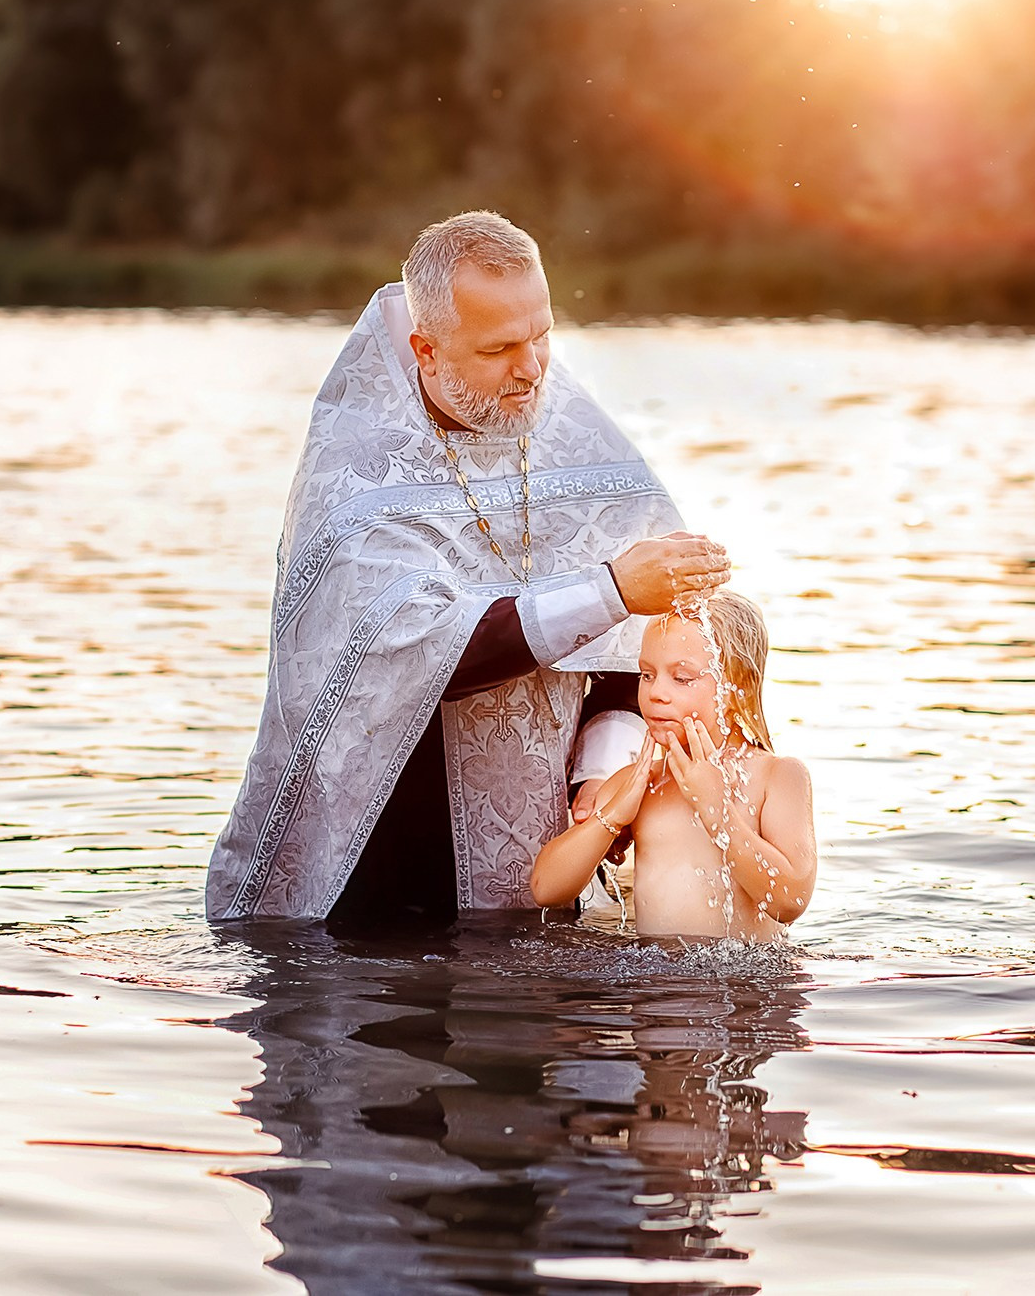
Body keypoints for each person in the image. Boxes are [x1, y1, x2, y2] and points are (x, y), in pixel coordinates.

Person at [205, 211, 729, 924]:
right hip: (376, 887)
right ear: (426, 349)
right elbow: (418, 652)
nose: (533, 368)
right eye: (501, 347)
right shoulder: (357, 469)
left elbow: (645, 648)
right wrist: (609, 589)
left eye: (543, 334)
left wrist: (601, 772)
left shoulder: (570, 426)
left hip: (550, 872)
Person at [530, 592, 817, 940]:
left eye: (681, 678)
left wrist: (717, 810)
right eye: (647, 675)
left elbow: (789, 901)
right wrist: (613, 816)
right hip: (656, 989)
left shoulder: (777, 775)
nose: (655, 693)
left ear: (736, 687)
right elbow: (546, 889)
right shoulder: (641, 783)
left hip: (744, 989)